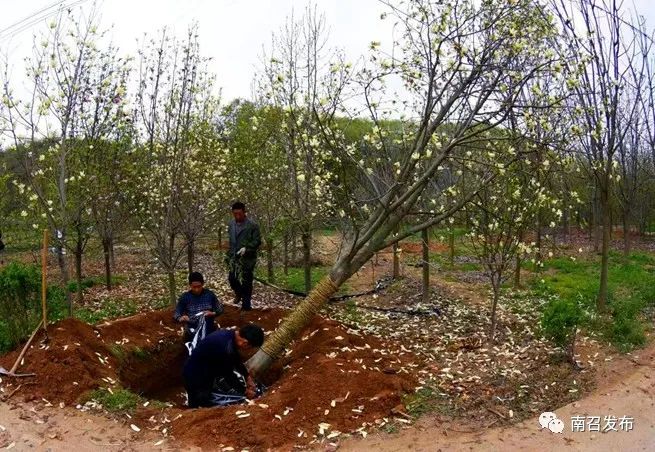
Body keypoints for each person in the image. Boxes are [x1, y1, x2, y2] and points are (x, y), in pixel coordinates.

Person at [183, 324, 265, 408]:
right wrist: (244, 391)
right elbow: (228, 375)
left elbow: (235, 358)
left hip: (203, 371)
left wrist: (247, 377)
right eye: (249, 348)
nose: (247, 350)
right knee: (199, 402)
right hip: (195, 375)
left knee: (205, 397)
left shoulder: (230, 336)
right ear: (245, 343)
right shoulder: (224, 347)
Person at [225, 202, 261, 311]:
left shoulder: (252, 225)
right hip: (234, 258)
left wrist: (247, 248)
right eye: (235, 214)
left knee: (246, 281)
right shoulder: (231, 224)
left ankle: (246, 306)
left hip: (247, 259)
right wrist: (230, 254)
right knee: (232, 278)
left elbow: (257, 241)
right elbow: (232, 241)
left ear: (244, 212)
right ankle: (238, 293)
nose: (237, 216)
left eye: (239, 213)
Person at [174, 272, 223, 342]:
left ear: (203, 284)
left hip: (208, 325)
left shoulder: (209, 295)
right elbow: (177, 313)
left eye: (199, 286)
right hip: (192, 326)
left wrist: (212, 313)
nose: (197, 289)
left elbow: (220, 309)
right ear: (190, 285)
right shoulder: (185, 297)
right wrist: (181, 318)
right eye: (194, 287)